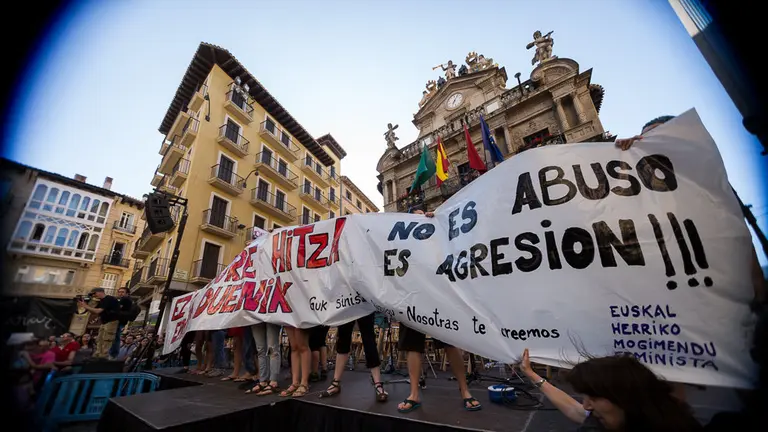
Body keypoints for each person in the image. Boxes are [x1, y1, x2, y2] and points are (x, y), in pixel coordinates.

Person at [396, 209, 481, 413]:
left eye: (420, 214)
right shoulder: (401, 239)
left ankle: (465, 390)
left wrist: (439, 220)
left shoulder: (435, 233)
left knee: (450, 342)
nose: (418, 217)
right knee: (412, 346)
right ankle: (414, 393)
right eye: (413, 216)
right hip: (413, 295)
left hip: (438, 295)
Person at [519, 349, 702, 431]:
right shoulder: (605, 422)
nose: (587, 405)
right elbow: (575, 410)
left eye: (593, 398)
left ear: (625, 398)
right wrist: (531, 374)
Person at [320, 313, 388, 402]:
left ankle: (378, 383)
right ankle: (336, 383)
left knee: (368, 338)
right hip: (348, 304)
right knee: (343, 337)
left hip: (362, 304)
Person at [77, 288, 121, 359]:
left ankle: (104, 355)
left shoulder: (109, 299)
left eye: (94, 293)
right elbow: (93, 311)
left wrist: (86, 306)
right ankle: (98, 354)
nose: (94, 295)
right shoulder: (101, 301)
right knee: (100, 339)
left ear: (100, 292)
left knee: (107, 339)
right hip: (104, 322)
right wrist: (89, 303)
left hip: (111, 321)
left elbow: (98, 311)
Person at [246, 323, 282, 396]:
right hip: (257, 315)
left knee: (271, 348)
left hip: (270, 314)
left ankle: (273, 381)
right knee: (261, 349)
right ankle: (263, 381)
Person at [280, 326, 311, 398]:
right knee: (293, 346)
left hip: (301, 316)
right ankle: (295, 382)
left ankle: (304, 383)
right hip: (289, 315)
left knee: (303, 345)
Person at [109, 287, 133, 359]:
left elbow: (118, 308)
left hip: (119, 321)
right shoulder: (126, 300)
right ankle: (113, 353)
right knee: (115, 337)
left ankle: (113, 354)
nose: (120, 293)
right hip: (120, 321)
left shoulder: (124, 299)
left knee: (115, 337)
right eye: (119, 292)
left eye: (122, 292)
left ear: (127, 293)